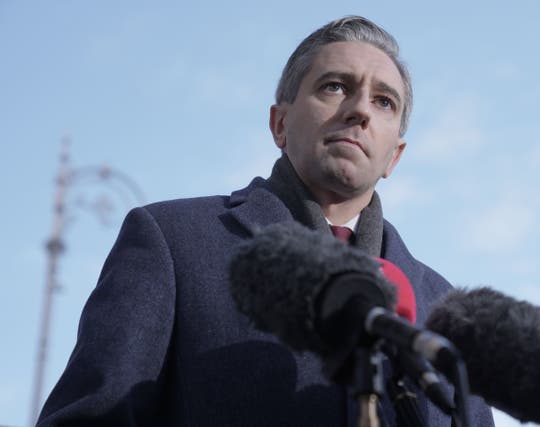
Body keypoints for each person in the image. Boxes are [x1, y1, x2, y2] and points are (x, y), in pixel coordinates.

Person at [37, 16, 494, 427]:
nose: (359, 111)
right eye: (334, 86)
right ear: (279, 123)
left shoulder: (442, 310)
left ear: (394, 155)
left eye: (384, 102)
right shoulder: (173, 241)